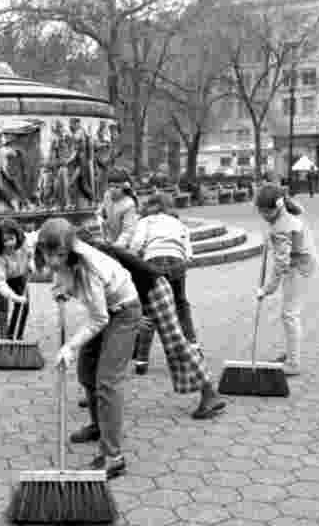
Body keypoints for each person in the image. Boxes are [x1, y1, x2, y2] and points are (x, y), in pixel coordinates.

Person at [37, 217, 140, 479]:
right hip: (104, 310)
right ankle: (98, 426)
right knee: (86, 373)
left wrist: (70, 346)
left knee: (107, 382)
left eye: (59, 255)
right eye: (48, 255)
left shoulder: (88, 268)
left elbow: (99, 319)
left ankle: (113, 456)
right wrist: (61, 289)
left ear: (70, 250)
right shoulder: (57, 256)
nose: (53, 262)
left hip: (123, 312)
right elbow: (62, 278)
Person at [91, 240, 226, 420]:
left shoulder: (100, 253)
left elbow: (121, 283)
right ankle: (96, 391)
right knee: (105, 339)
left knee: (175, 343)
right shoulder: (94, 254)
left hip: (154, 290)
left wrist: (134, 313)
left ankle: (210, 394)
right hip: (143, 291)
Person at [115, 192, 197, 374]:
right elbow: (188, 248)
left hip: (153, 262)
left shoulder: (145, 221)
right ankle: (193, 346)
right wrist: (185, 260)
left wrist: (137, 260)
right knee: (181, 304)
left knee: (149, 310)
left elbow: (136, 243)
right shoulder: (178, 223)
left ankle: (141, 361)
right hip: (177, 262)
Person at [254, 184, 319, 377]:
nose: (263, 215)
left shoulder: (282, 227)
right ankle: (291, 354)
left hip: (298, 268)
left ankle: (293, 363)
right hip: (302, 264)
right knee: (289, 313)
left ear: (277, 206)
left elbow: (281, 265)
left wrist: (266, 290)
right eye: (260, 211)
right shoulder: (286, 214)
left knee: (289, 315)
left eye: (266, 211)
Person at [0, 218, 34, 339]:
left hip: (19, 275)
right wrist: (15, 297)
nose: (9, 243)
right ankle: (3, 342)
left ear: (17, 236)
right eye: (5, 240)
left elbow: (33, 252)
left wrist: (31, 262)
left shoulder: (26, 241)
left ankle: (15, 337)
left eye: (11, 239)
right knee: (2, 309)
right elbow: (0, 284)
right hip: (1, 278)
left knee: (24, 306)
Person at [98, 168, 139, 244]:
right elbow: (102, 212)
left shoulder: (129, 204)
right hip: (110, 239)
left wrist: (117, 246)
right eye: (110, 186)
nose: (112, 189)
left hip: (124, 244)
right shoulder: (107, 195)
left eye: (117, 187)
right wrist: (103, 219)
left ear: (124, 187)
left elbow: (128, 231)